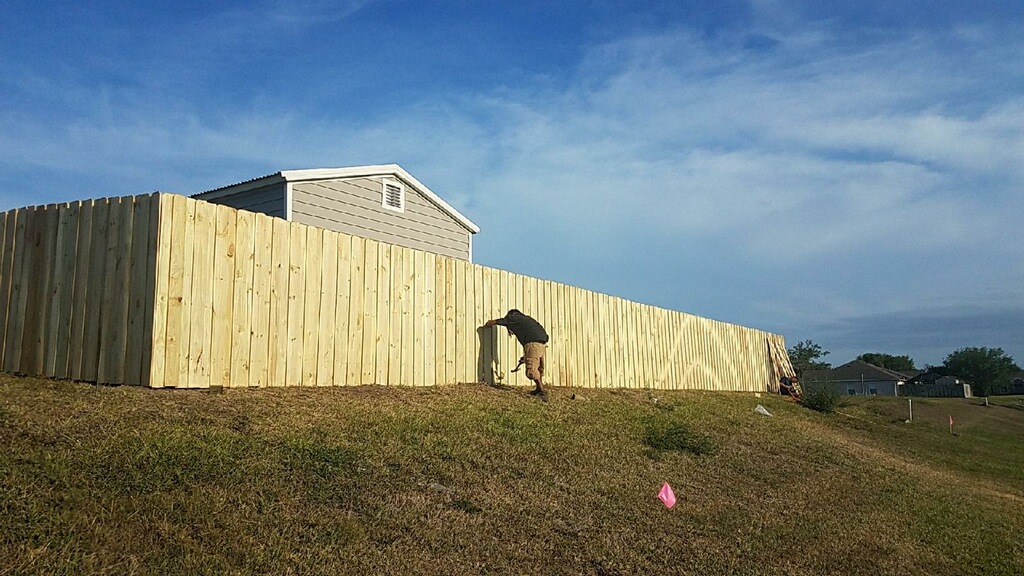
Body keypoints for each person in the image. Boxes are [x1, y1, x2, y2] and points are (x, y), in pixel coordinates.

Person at [484, 309, 549, 398]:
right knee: (538, 368)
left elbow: (506, 320)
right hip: (541, 344)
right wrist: (526, 356)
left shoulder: (514, 317)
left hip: (533, 344)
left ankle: (541, 391)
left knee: (531, 370)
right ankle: (538, 389)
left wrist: (492, 322)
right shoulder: (526, 320)